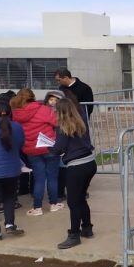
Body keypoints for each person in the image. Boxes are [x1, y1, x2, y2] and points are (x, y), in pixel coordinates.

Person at [50, 98, 97, 249]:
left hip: (76, 166)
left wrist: (49, 148)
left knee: (73, 202)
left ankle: (74, 235)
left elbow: (59, 149)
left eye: (56, 110)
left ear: (60, 112)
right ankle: (87, 228)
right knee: (81, 197)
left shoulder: (62, 127)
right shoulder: (81, 121)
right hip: (90, 162)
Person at [10, 89, 62, 216]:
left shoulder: (16, 113)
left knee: (39, 178)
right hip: (49, 146)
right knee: (52, 177)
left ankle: (37, 208)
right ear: (32, 97)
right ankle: (53, 204)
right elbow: (56, 122)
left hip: (31, 149)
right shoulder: (43, 109)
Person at [0, 101, 26, 240]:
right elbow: (20, 144)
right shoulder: (17, 127)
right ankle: (9, 224)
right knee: (9, 197)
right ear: (10, 112)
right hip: (12, 169)